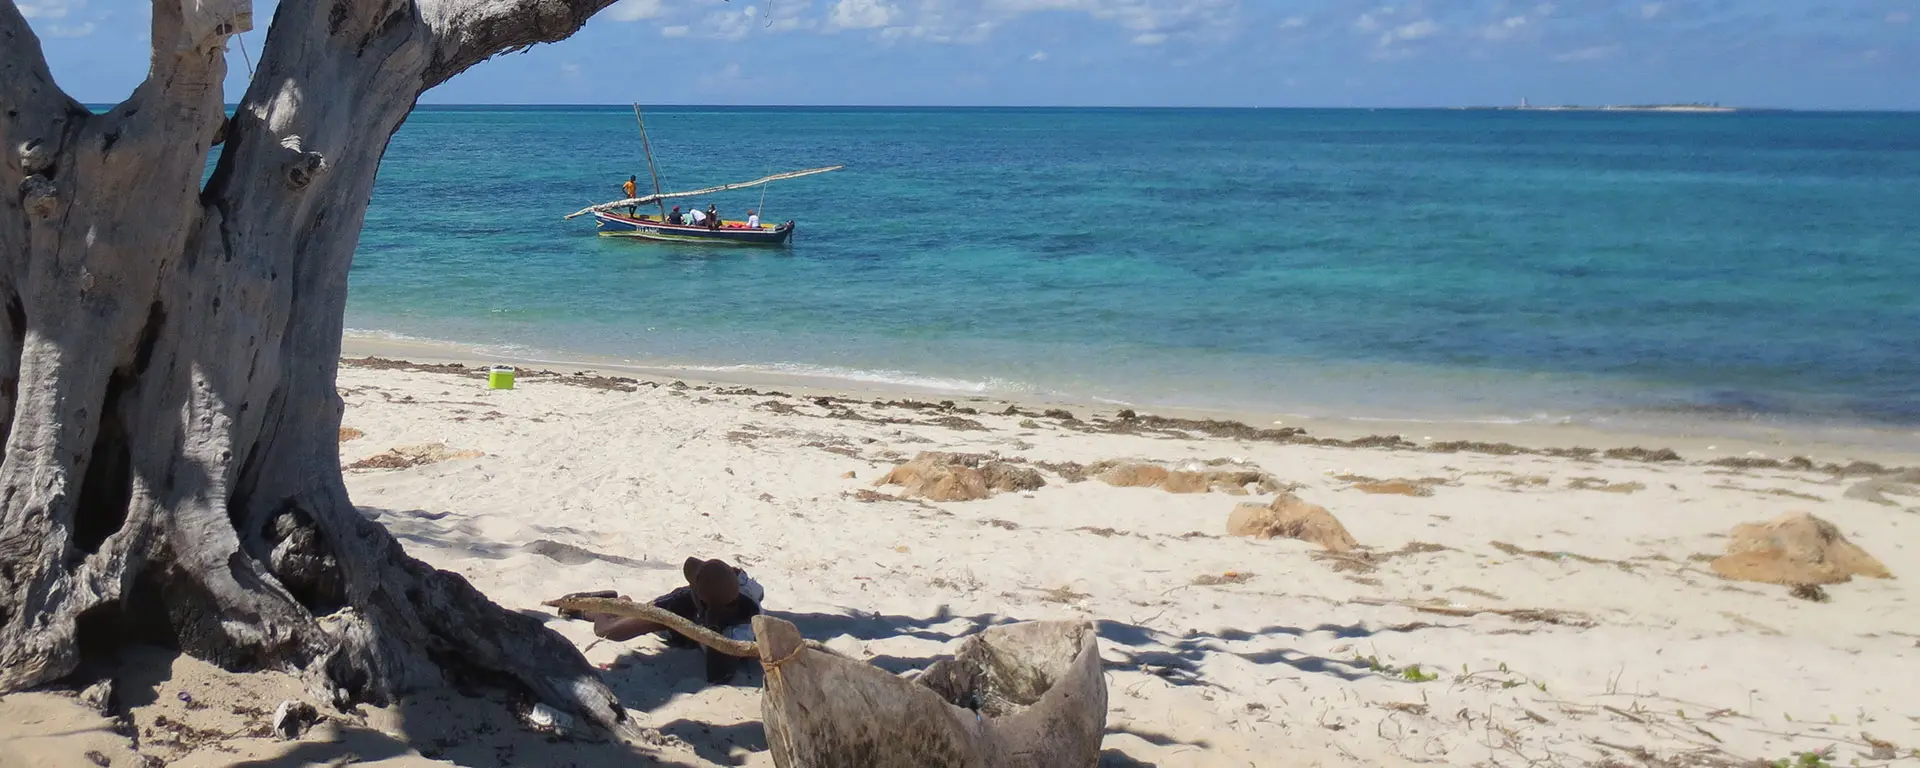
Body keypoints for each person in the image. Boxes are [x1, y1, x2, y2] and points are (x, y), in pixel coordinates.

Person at [553, 557, 766, 684]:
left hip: (688, 612)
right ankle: (599, 607)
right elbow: (750, 586)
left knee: (607, 630)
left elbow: (718, 674)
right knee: (614, 629)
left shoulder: (734, 634)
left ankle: (608, 605)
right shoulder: (743, 588)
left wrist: (710, 624)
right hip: (684, 607)